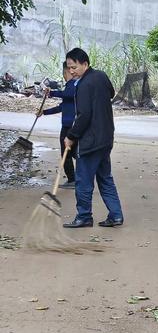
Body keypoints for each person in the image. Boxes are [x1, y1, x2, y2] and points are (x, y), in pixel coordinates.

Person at [63, 48, 124, 229]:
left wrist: (71, 136)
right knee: (105, 177)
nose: (71, 71)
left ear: (85, 64)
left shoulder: (83, 86)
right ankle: (116, 215)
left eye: (74, 67)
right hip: (106, 138)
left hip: (90, 141)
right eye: (69, 68)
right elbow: (111, 93)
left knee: (83, 180)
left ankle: (84, 217)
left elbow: (84, 115)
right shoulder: (102, 76)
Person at [39, 62, 76, 189]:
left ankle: (73, 179)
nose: (65, 76)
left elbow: (69, 94)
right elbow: (62, 107)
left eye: (64, 73)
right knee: (71, 152)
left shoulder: (74, 85)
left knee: (68, 153)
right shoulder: (69, 86)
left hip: (71, 125)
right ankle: (75, 178)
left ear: (68, 72)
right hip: (67, 125)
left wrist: (52, 93)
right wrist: (44, 112)